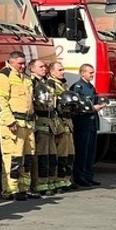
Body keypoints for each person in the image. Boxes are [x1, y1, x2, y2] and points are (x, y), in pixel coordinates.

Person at [0, 51, 37, 201]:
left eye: (24, 63)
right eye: (20, 63)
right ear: (11, 62)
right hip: (13, 123)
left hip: (27, 123)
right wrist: (9, 120)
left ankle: (24, 188)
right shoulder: (3, 76)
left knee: (27, 158)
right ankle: (11, 189)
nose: (23, 66)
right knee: (13, 158)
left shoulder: (26, 78)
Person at [69, 63, 103, 187]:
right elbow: (77, 106)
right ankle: (79, 177)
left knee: (90, 152)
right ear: (83, 73)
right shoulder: (77, 87)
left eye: (93, 72)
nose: (92, 75)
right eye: (90, 72)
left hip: (92, 123)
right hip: (83, 124)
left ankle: (88, 176)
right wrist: (92, 108)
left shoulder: (91, 86)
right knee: (82, 152)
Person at [28, 58, 56, 195]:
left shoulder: (46, 82)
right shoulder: (31, 82)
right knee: (40, 155)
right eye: (40, 67)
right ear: (32, 68)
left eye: (45, 66)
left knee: (50, 155)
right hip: (39, 121)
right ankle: (38, 184)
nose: (44, 69)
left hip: (49, 121)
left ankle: (47, 182)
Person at [48, 60, 75, 192]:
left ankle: (66, 179)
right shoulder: (51, 84)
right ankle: (57, 181)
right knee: (60, 154)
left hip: (68, 122)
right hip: (59, 122)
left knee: (69, 153)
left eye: (63, 69)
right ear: (52, 72)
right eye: (60, 70)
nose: (63, 71)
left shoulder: (63, 84)